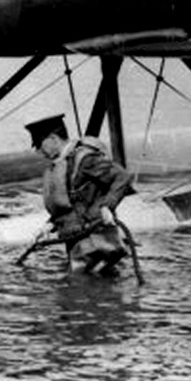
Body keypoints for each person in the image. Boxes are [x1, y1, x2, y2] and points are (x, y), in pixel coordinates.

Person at [25, 114, 134, 275]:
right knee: (85, 288)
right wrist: (49, 226)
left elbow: (122, 177)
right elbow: (72, 204)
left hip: (95, 241)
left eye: (40, 144)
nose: (38, 151)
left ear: (54, 139)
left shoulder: (85, 159)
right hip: (78, 243)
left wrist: (108, 206)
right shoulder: (64, 164)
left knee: (80, 288)